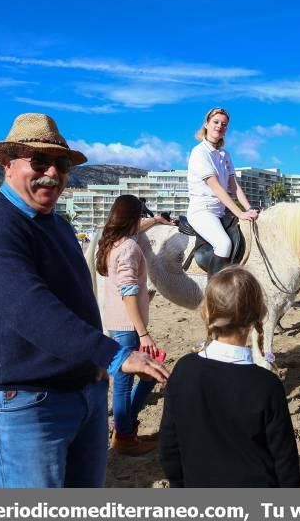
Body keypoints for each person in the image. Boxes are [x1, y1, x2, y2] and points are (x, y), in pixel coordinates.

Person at [0, 113, 169, 488]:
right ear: (8, 164)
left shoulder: (57, 225)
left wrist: (94, 366)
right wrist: (113, 355)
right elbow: (29, 308)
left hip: (83, 393)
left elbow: (77, 298)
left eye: (62, 164)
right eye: (39, 161)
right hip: (24, 404)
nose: (52, 173)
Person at [159, 266, 300, 487]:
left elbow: (169, 447)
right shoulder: (267, 385)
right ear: (257, 316)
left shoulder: (183, 370)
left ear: (206, 312)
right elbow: (285, 462)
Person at [97, 194, 167, 456]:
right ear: (132, 217)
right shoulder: (127, 248)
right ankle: (124, 437)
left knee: (149, 374)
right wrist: (144, 333)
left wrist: (157, 221)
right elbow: (128, 292)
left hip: (119, 323)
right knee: (126, 383)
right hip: (128, 326)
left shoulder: (113, 242)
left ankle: (125, 427)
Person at [186, 108, 258, 277]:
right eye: (216, 122)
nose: (219, 126)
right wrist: (239, 213)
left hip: (220, 212)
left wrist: (249, 208)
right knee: (224, 244)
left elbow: (234, 186)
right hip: (202, 211)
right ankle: (213, 294)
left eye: (224, 124)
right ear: (206, 124)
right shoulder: (199, 152)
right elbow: (217, 187)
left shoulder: (225, 154)